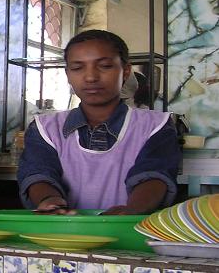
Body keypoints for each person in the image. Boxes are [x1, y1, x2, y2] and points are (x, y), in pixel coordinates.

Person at [17, 30, 181, 215]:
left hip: (132, 233)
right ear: (68, 74)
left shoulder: (155, 126)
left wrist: (132, 210)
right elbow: (39, 174)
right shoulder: (45, 128)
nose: (90, 77)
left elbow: (155, 175)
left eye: (104, 66)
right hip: (63, 235)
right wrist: (49, 200)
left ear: (125, 71)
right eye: (78, 68)